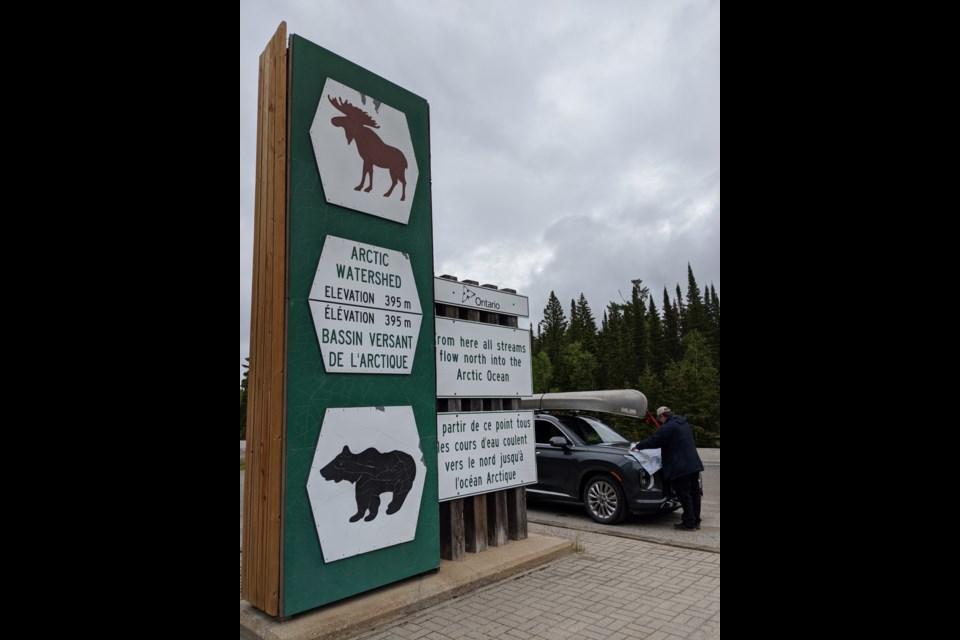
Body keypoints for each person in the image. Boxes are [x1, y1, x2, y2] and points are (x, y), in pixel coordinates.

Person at [631, 406, 704, 531]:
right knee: (695, 493)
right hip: (693, 463)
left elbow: (655, 440)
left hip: (681, 466)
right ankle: (696, 521)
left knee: (684, 494)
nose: (660, 422)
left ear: (662, 416)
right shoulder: (683, 423)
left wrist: (638, 446)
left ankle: (689, 523)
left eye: (660, 420)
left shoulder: (668, 426)